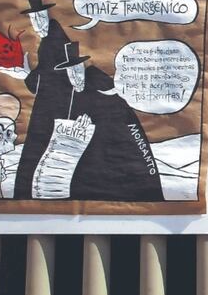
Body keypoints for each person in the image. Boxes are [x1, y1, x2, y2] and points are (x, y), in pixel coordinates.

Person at [47, 41, 163, 201]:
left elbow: (114, 109)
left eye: (76, 71)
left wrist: (93, 118)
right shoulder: (70, 94)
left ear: (82, 67)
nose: (74, 76)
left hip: (115, 141)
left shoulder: (98, 81)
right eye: (70, 73)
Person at [0, 0, 74, 199]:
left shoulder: (54, 42)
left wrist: (25, 75)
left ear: (46, 17)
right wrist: (27, 75)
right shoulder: (49, 41)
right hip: (48, 107)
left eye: (39, 18)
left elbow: (53, 79)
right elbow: (44, 80)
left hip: (54, 109)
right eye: (33, 19)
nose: (36, 23)